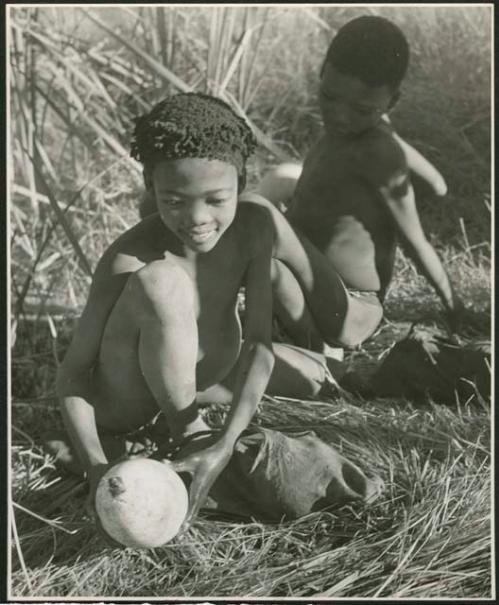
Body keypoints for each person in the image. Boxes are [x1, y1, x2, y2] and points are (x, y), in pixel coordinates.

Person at [55, 93, 352, 533]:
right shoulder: (129, 260)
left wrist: (227, 442)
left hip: (205, 381)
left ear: (243, 183)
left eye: (216, 199)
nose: (197, 218)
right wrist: (96, 466)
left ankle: (196, 432)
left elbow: (258, 345)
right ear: (150, 186)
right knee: (163, 282)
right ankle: (184, 430)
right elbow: (74, 375)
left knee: (320, 381)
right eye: (173, 200)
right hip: (127, 408)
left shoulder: (253, 227)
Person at [256, 15, 463, 350]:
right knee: (277, 190)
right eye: (329, 97)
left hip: (351, 307)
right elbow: (436, 185)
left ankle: (315, 353)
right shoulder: (360, 134)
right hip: (312, 290)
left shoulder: (379, 152)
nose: (340, 115)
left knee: (258, 213)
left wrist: (454, 306)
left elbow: (416, 243)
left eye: (361, 109)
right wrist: (380, 125)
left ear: (391, 102)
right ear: (322, 73)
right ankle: (308, 345)